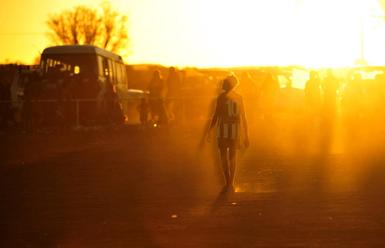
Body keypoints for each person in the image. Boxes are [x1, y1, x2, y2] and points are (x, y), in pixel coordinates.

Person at [206, 75, 249, 192]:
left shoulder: (221, 98)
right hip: (234, 130)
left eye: (224, 83)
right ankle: (230, 182)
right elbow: (243, 117)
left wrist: (209, 130)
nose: (222, 85)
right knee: (232, 156)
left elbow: (216, 115)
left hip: (223, 130)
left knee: (224, 156)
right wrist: (246, 135)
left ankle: (228, 181)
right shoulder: (238, 97)